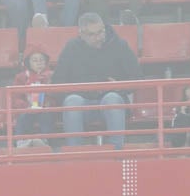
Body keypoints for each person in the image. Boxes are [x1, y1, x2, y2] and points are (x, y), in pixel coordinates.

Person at [50, 13, 139, 149]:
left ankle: (117, 154)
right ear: (81, 34)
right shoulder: (71, 48)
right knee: (72, 101)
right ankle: (75, 155)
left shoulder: (120, 45)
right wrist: (75, 91)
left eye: (101, 32)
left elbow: (138, 77)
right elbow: (57, 82)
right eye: (92, 34)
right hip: (81, 103)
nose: (99, 38)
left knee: (112, 98)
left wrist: (119, 86)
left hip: (111, 101)